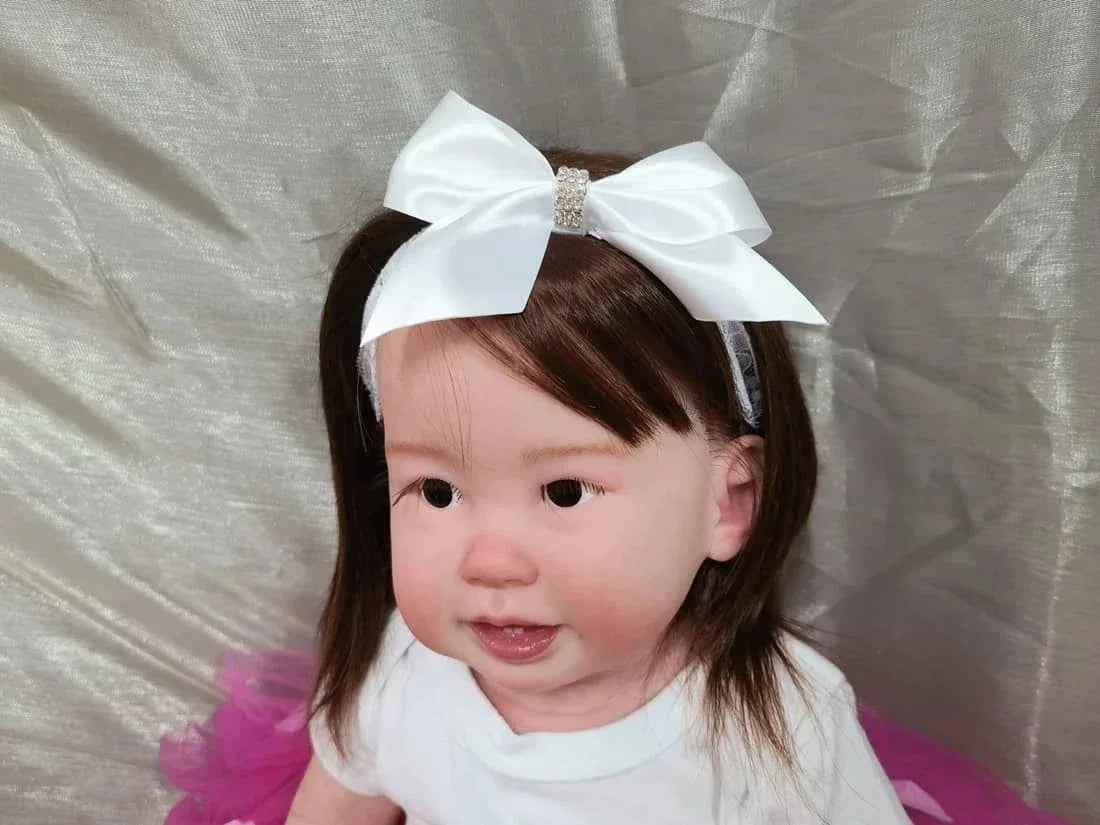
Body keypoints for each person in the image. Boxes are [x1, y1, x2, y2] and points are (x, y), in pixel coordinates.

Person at [159, 92, 1068, 825]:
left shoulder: (776, 723)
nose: (491, 560)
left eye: (563, 490)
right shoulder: (403, 666)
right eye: (436, 489)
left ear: (728, 500)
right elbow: (340, 798)